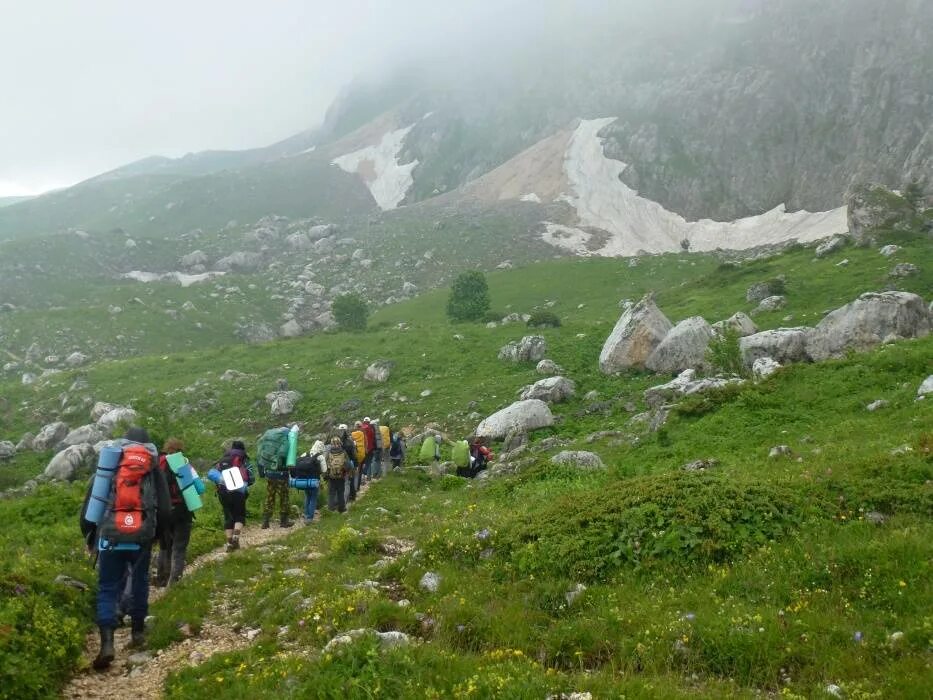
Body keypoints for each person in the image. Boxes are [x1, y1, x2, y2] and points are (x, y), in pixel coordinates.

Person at [79, 426, 171, 670]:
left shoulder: (110, 462)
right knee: (140, 582)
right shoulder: (151, 466)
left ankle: (107, 643)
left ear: (124, 441)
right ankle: (138, 633)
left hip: (109, 535)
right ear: (147, 444)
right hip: (141, 535)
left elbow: (91, 502)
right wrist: (158, 535)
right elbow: (164, 507)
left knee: (108, 587)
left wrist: (90, 535)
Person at [154, 438, 193, 587]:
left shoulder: (158, 462)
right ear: (180, 449)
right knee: (179, 545)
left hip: (162, 511)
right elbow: (190, 487)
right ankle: (174, 582)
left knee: (165, 545)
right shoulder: (182, 462)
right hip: (181, 510)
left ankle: (161, 577)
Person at [207, 440, 255, 551]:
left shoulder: (223, 459)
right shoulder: (244, 459)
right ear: (243, 449)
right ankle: (236, 536)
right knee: (240, 515)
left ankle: (229, 543)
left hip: (223, 492)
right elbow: (251, 478)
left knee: (228, 516)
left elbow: (215, 475)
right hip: (238, 491)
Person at [259, 427, 292, 529]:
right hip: (281, 473)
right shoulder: (285, 440)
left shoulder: (270, 439)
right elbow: (283, 453)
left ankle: (265, 521)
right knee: (284, 497)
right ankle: (284, 521)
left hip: (269, 473)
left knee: (270, 496)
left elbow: (260, 453)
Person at [292, 440, 324, 525]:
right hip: (314, 481)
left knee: (307, 497)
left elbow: (298, 463)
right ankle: (309, 518)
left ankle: (306, 514)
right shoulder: (320, 456)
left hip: (304, 481)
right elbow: (324, 470)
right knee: (313, 498)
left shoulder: (305, 453)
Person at [324, 436, 349, 513]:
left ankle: (331, 508)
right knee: (340, 492)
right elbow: (347, 464)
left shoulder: (329, 452)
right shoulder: (343, 452)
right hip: (341, 476)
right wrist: (346, 472)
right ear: (340, 443)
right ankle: (342, 508)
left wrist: (325, 475)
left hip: (331, 476)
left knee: (331, 493)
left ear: (331, 444)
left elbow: (325, 464)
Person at [338, 424, 358, 502]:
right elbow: (354, 454)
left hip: (338, 464)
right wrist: (356, 464)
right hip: (349, 463)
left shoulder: (335, 441)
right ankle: (352, 496)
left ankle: (339, 499)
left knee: (340, 482)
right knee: (350, 480)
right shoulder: (350, 441)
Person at [350, 422, 367, 493]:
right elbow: (366, 443)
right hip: (362, 454)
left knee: (354, 471)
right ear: (361, 426)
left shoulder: (352, 434)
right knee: (359, 471)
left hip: (355, 454)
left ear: (355, 427)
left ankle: (353, 487)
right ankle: (358, 486)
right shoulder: (363, 434)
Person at [361, 417, 377, 481]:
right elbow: (373, 438)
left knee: (362, 463)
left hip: (362, 448)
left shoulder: (360, 428)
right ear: (369, 422)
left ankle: (361, 476)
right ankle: (368, 477)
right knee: (368, 462)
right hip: (370, 448)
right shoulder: (371, 428)